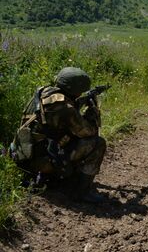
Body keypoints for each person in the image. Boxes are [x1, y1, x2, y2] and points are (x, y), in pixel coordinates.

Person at [10, 67, 107, 202]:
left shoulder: (43, 93)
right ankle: (82, 192)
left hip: (22, 157)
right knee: (98, 143)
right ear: (75, 90)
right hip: (40, 162)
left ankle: (56, 176)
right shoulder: (65, 108)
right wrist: (91, 116)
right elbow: (88, 133)